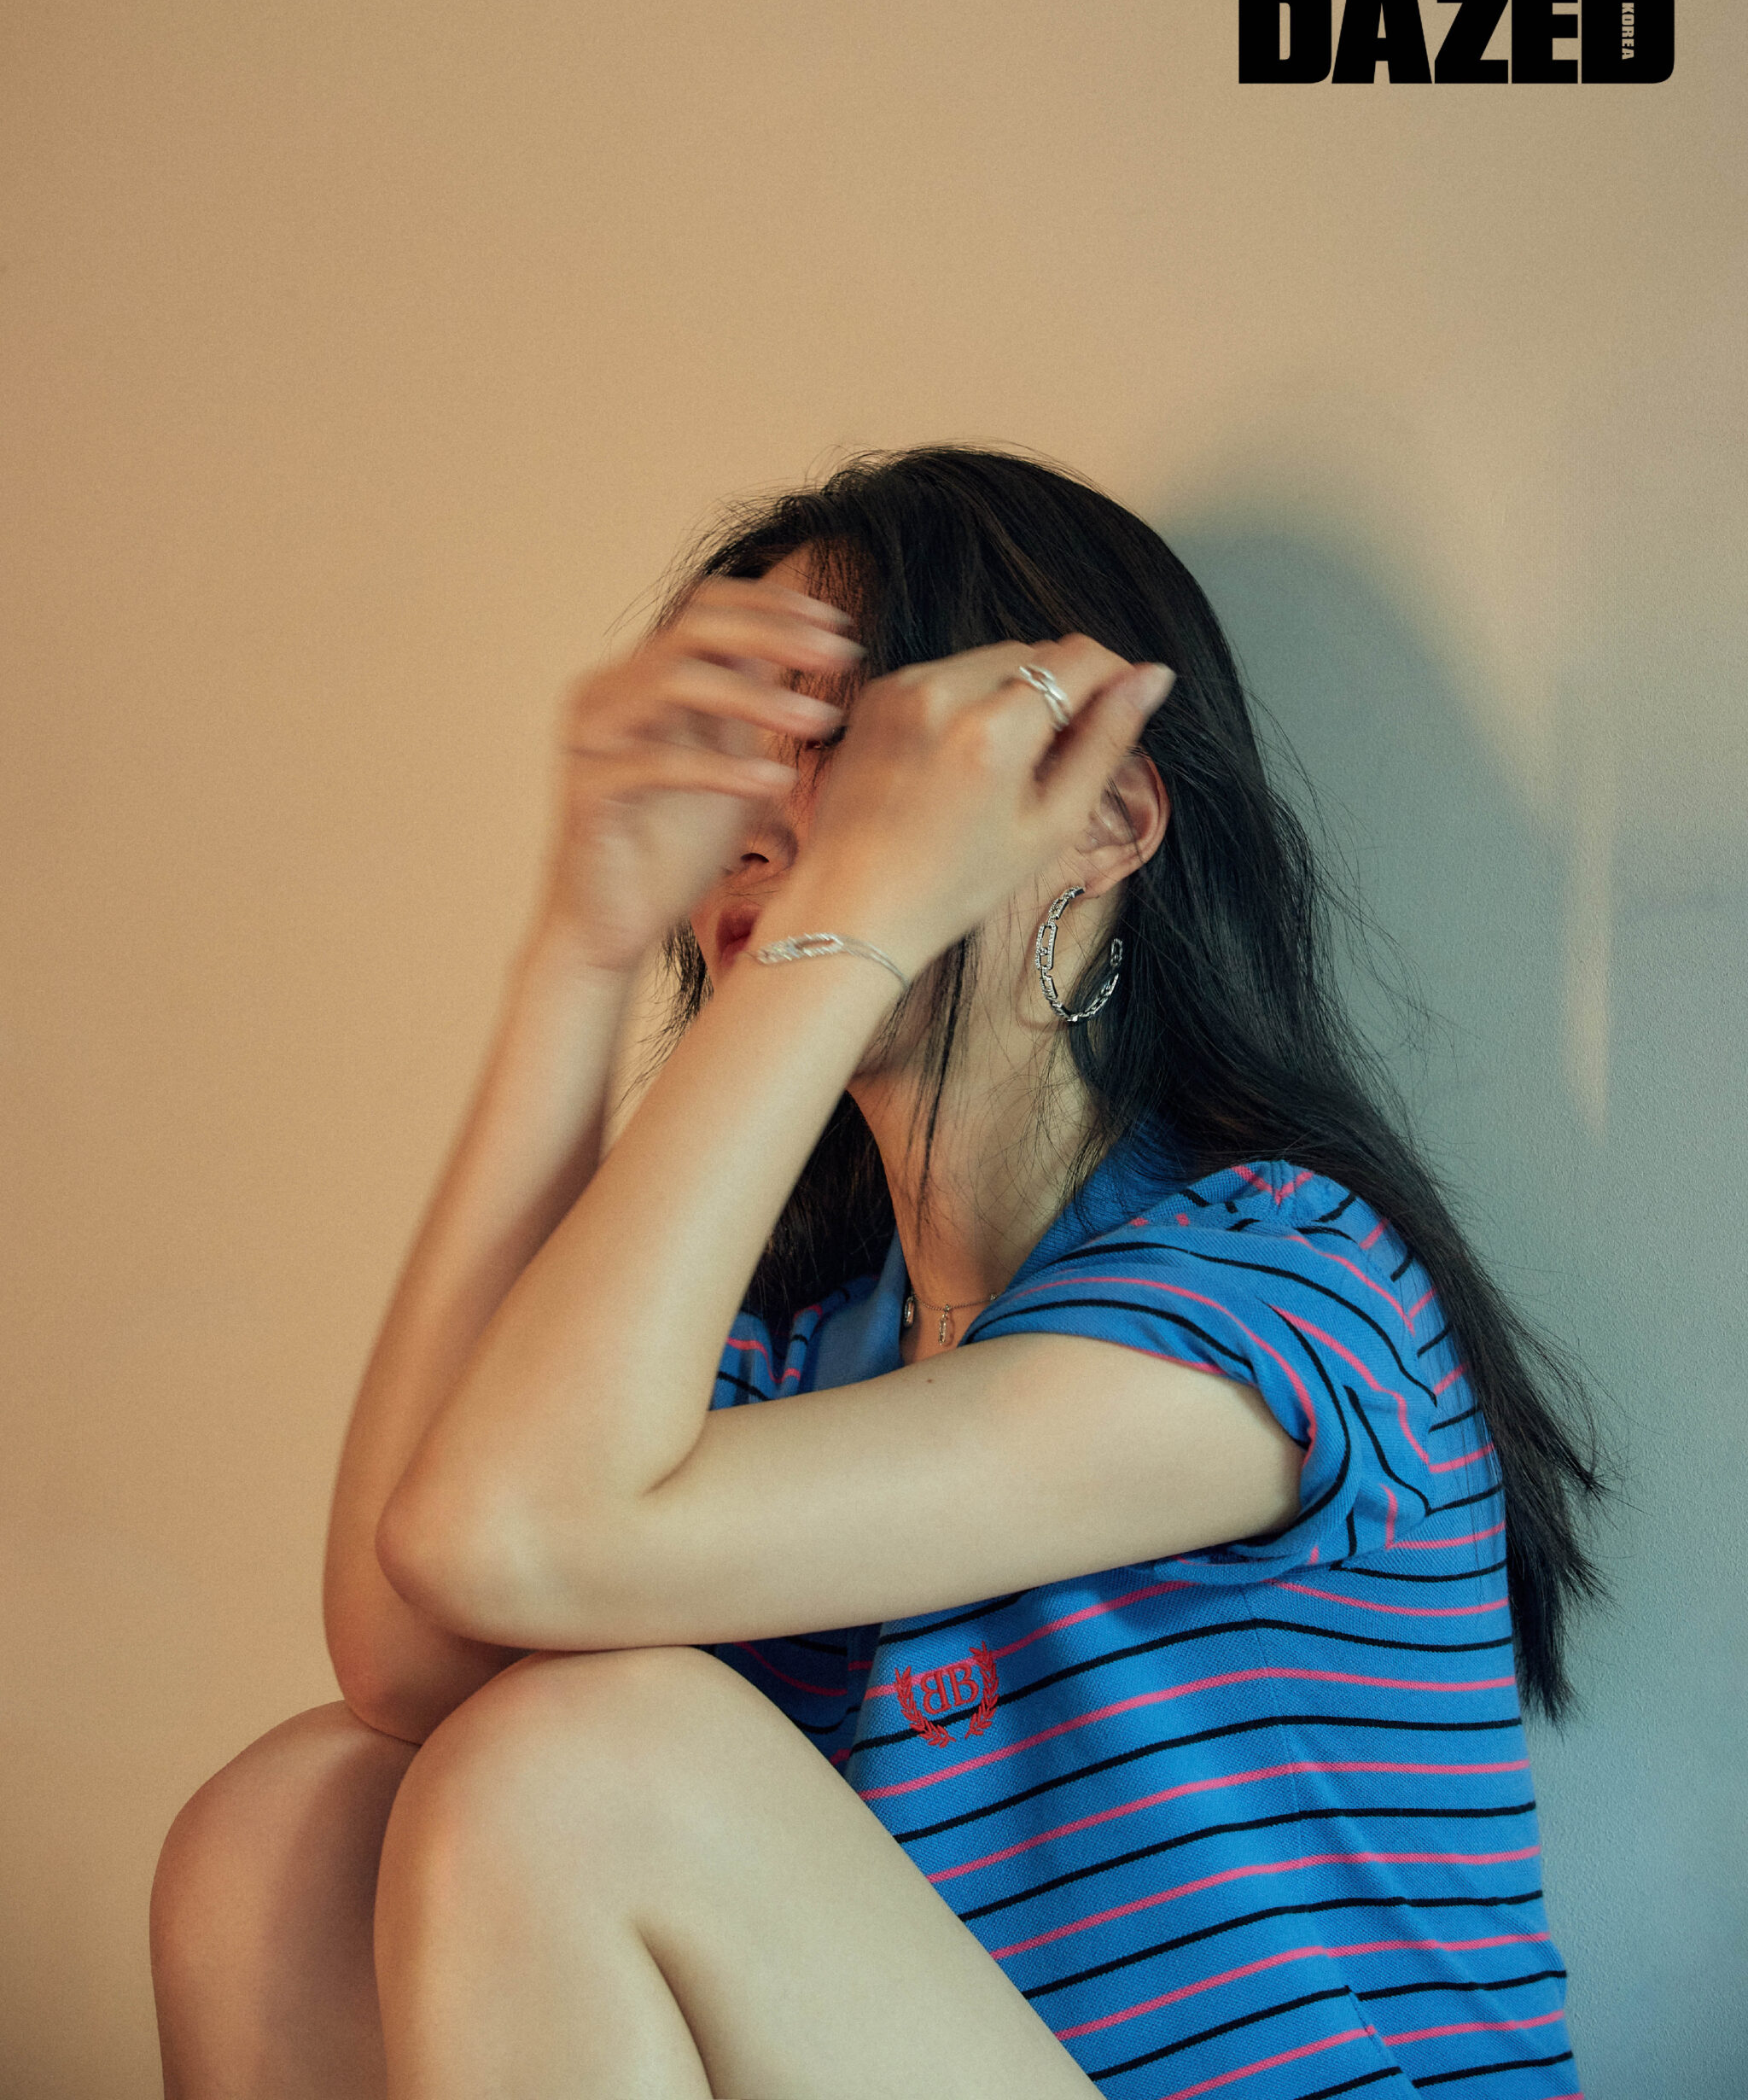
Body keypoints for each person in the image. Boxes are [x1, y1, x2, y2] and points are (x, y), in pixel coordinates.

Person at [150, 446, 1603, 2099]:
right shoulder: (811, 1349)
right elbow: (418, 1641)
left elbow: (511, 1537)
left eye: (846, 749)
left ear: (1103, 820)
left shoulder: (1280, 1291)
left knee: (579, 1763)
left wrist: (854, 913)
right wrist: (583, 944)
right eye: (731, 755)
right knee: (295, 1826)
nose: (752, 821)